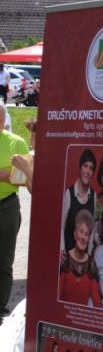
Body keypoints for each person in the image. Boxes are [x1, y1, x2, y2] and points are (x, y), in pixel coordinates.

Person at [0, 102, 28, 315]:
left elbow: (24, 179)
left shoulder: (17, 143)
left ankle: (0, 305)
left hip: (6, 206)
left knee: (4, 259)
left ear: (3, 120)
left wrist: (4, 175)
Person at [60, 209, 101, 307]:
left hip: (82, 315)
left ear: (89, 238)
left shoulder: (91, 265)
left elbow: (97, 302)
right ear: (75, 234)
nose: (83, 237)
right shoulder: (65, 261)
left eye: (87, 234)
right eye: (81, 231)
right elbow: (57, 296)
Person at [62, 148, 96, 253]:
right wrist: (61, 249)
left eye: (91, 168)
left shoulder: (94, 196)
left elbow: (92, 230)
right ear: (80, 168)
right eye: (85, 166)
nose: (88, 171)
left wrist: (89, 255)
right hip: (68, 254)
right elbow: (62, 226)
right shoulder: (69, 193)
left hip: (85, 256)